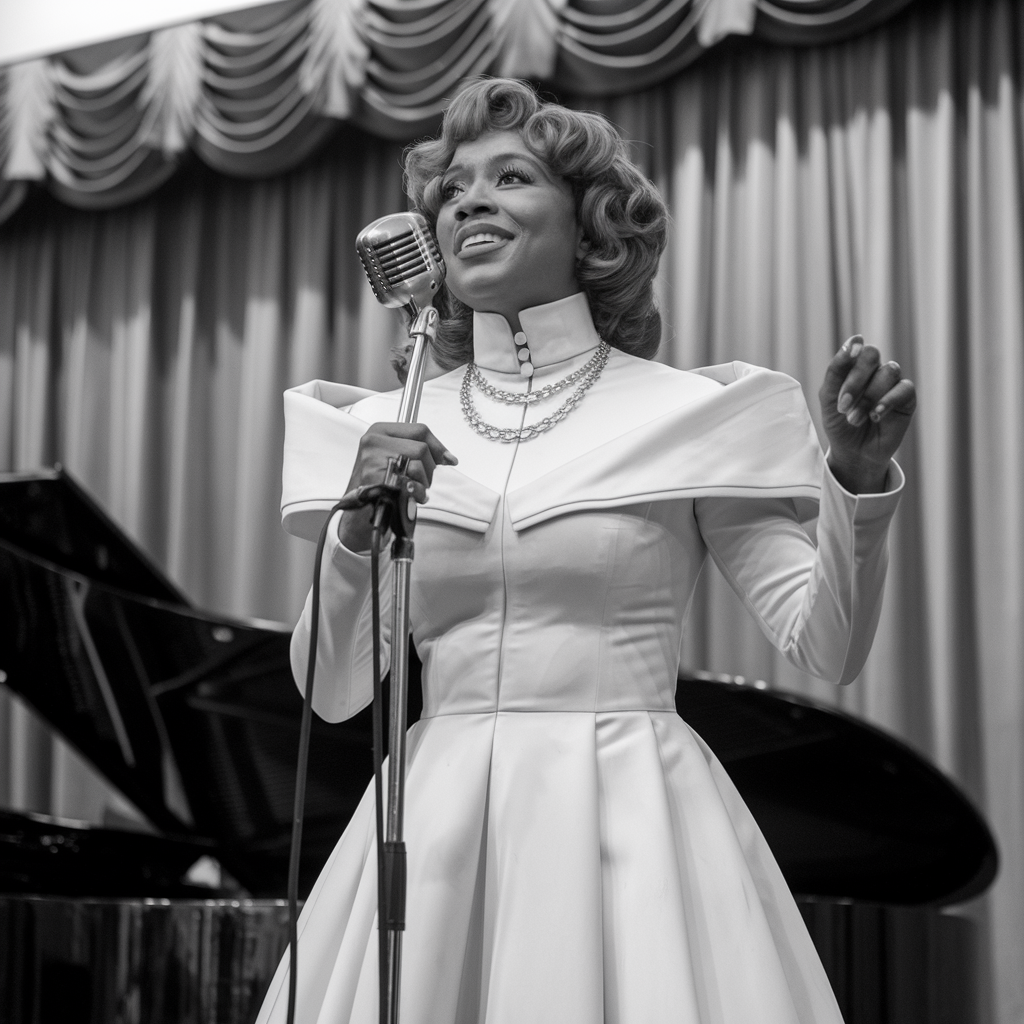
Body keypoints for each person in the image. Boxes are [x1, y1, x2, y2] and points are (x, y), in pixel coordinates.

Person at [259, 78, 916, 1024]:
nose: (468, 200)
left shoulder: (691, 415)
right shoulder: (384, 424)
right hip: (433, 827)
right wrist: (355, 532)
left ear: (591, 229)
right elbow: (330, 691)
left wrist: (852, 484)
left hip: (632, 820)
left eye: (511, 177)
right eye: (451, 191)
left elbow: (828, 648)